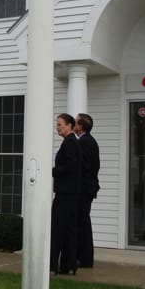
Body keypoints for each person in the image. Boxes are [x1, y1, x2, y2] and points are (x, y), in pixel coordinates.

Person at [50, 113, 82, 275]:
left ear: (70, 126)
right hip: (70, 192)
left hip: (65, 192)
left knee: (57, 228)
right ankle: (68, 265)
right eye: (57, 124)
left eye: (60, 124)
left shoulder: (70, 143)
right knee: (69, 229)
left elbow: (71, 166)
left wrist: (53, 171)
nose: (57, 127)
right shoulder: (71, 142)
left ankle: (52, 264)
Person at [75, 113, 100, 268]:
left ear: (81, 126)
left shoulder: (85, 142)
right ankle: (83, 257)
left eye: (75, 122)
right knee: (82, 222)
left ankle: (84, 258)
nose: (73, 124)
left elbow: (83, 167)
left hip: (84, 189)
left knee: (82, 223)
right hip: (87, 188)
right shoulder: (88, 141)